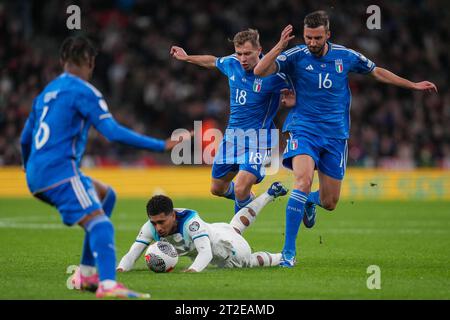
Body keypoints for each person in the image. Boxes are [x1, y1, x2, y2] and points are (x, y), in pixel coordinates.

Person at [254, 10, 438, 267]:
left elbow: (377, 72)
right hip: (303, 129)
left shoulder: (346, 56)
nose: (312, 42)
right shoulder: (294, 56)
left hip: (335, 136)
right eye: (308, 37)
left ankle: (308, 202)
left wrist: (412, 85)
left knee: (329, 202)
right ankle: (288, 253)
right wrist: (279, 46)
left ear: (328, 35)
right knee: (303, 180)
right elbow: (260, 71)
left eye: (318, 38)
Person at [20, 36, 189, 298]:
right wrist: (161, 145)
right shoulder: (84, 92)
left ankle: (87, 275)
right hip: (59, 171)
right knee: (101, 226)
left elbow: (24, 139)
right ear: (90, 61)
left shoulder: (45, 94)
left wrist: (28, 167)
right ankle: (108, 286)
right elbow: (111, 131)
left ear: (63, 61)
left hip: (37, 170)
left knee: (106, 196)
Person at [170, 29, 293, 215]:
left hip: (258, 140)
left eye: (248, 54)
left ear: (259, 50)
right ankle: (256, 199)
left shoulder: (275, 75)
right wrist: (187, 58)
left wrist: (292, 100)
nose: (243, 58)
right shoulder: (232, 63)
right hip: (232, 138)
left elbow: (301, 90)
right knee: (217, 188)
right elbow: (212, 60)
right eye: (239, 53)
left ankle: (236, 236)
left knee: (241, 188)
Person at [117, 182, 288, 272]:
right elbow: (132, 253)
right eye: (154, 222)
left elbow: (205, 253)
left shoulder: (191, 222)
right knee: (235, 227)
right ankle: (269, 194)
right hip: (216, 229)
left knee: (248, 262)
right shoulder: (151, 226)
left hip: (227, 249)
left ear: (173, 215)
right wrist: (121, 268)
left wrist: (193, 269)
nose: (158, 227)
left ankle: (283, 257)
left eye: (161, 222)